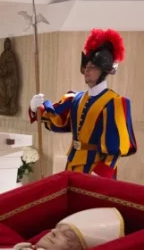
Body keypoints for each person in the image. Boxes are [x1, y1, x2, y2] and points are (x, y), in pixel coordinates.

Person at [29, 29, 137, 179]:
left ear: (103, 71)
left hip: (95, 172)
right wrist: (35, 108)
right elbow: (58, 121)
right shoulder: (75, 98)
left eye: (92, 67)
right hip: (72, 165)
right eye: (86, 66)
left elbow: (116, 147)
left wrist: (100, 173)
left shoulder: (114, 102)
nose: (87, 70)